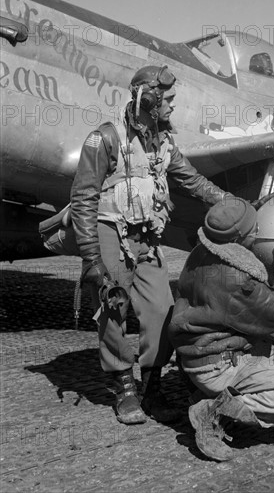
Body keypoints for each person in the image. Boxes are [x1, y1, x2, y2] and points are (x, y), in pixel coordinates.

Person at [70, 64, 231, 425]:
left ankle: (153, 390)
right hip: (111, 232)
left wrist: (228, 200)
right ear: (150, 98)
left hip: (148, 238)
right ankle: (125, 389)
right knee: (113, 308)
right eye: (169, 99)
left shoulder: (165, 144)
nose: (174, 106)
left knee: (162, 310)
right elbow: (82, 199)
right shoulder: (105, 139)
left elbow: (193, 181)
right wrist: (92, 260)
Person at [168, 197, 274, 461]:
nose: (258, 232)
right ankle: (213, 412)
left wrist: (255, 207)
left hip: (194, 353)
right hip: (217, 366)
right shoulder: (238, 279)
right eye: (255, 229)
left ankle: (201, 392)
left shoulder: (202, 251)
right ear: (240, 238)